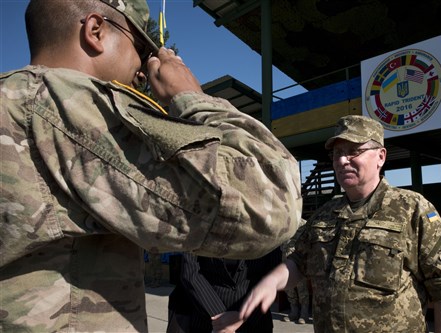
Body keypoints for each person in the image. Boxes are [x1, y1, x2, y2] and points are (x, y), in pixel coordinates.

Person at [0, 0, 302, 331]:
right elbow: (270, 201)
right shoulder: (69, 107)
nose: (143, 70)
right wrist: (193, 98)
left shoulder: (12, 100)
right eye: (141, 49)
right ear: (95, 31)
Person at [236, 115, 441, 333]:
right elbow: (299, 261)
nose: (342, 160)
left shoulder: (411, 208)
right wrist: (270, 283)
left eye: (354, 151)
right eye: (337, 153)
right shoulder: (325, 214)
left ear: (381, 156)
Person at [167, 248, 282, 333]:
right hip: (205, 320)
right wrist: (221, 320)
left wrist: (241, 317)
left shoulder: (269, 224)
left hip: (254, 323)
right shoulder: (200, 220)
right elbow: (190, 272)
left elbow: (273, 276)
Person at [281, 219, 310, 324]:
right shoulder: (284, 222)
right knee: (289, 287)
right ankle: (293, 312)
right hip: (285, 258)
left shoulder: (304, 224)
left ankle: (304, 313)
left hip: (298, 260)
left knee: (301, 286)